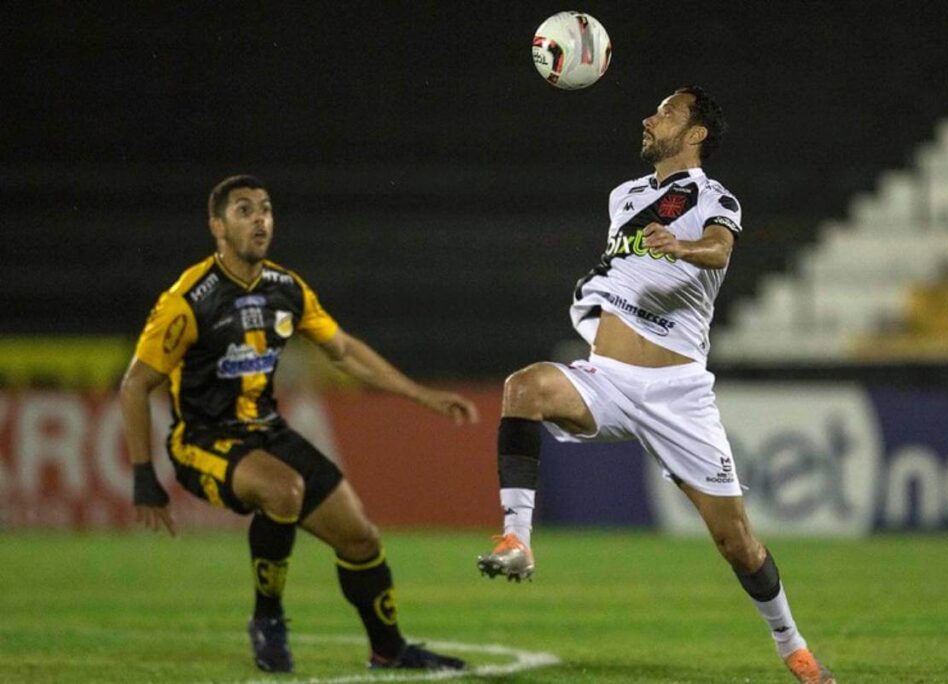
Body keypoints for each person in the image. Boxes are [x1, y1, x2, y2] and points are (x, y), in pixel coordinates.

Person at [475, 87, 835, 684]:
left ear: (695, 134)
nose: (650, 117)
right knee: (524, 387)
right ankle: (517, 540)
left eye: (666, 112)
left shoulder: (713, 198)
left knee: (736, 541)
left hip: (677, 392)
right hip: (608, 378)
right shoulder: (625, 197)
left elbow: (720, 250)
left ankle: (794, 648)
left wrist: (684, 248)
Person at [120, 175, 478, 674]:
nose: (259, 219)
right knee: (284, 490)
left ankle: (389, 650)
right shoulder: (188, 300)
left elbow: (344, 351)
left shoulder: (286, 289)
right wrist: (144, 475)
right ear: (217, 226)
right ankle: (267, 619)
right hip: (202, 441)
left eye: (265, 209)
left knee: (362, 540)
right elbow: (135, 385)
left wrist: (419, 395)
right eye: (243, 210)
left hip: (267, 431)